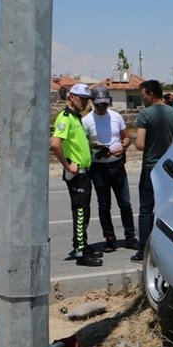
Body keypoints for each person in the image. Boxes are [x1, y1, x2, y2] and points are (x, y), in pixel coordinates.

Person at [50, 83, 102, 267]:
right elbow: (55, 144)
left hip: (84, 172)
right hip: (77, 173)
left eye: (87, 99)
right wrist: (67, 165)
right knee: (80, 212)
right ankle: (80, 253)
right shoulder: (65, 118)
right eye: (83, 98)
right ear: (72, 97)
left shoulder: (76, 117)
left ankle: (82, 244)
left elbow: (75, 144)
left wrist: (92, 148)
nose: (86, 102)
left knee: (84, 211)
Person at [131, 79, 173, 262]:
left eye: (143, 95)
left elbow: (140, 145)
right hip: (170, 169)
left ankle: (143, 250)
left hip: (151, 168)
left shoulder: (145, 115)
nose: (142, 98)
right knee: (167, 209)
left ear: (151, 94)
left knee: (146, 209)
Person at [83, 87, 137, 253]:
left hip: (117, 165)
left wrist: (122, 147)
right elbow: (82, 144)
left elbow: (126, 137)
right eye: (99, 105)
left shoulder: (116, 117)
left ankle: (130, 236)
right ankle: (109, 238)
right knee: (104, 205)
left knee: (125, 203)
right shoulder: (86, 121)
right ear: (93, 103)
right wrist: (95, 148)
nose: (102, 108)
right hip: (98, 167)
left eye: (105, 104)